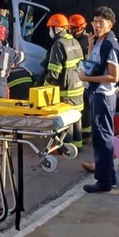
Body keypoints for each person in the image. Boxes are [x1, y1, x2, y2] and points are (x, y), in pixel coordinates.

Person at [77, 7, 119, 193]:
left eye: (100, 22)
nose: (96, 25)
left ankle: (103, 181)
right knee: (101, 136)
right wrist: (89, 46)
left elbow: (114, 76)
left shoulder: (109, 44)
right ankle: (109, 177)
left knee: (103, 138)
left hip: (103, 95)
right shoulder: (99, 42)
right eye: (95, 22)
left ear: (110, 24)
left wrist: (87, 80)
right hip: (97, 94)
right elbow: (91, 64)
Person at [40, 14, 85, 147]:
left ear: (57, 28)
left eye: (51, 28)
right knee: (76, 116)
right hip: (78, 85)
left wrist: (45, 87)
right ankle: (77, 145)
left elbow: (54, 71)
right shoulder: (74, 41)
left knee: (66, 118)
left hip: (66, 90)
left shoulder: (59, 44)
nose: (50, 31)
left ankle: (66, 146)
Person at [69, 13, 92, 141]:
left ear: (80, 28)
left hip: (84, 76)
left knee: (84, 105)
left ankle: (86, 133)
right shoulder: (82, 39)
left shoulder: (83, 41)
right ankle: (85, 132)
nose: (71, 30)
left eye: (73, 28)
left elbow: (85, 61)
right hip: (81, 75)